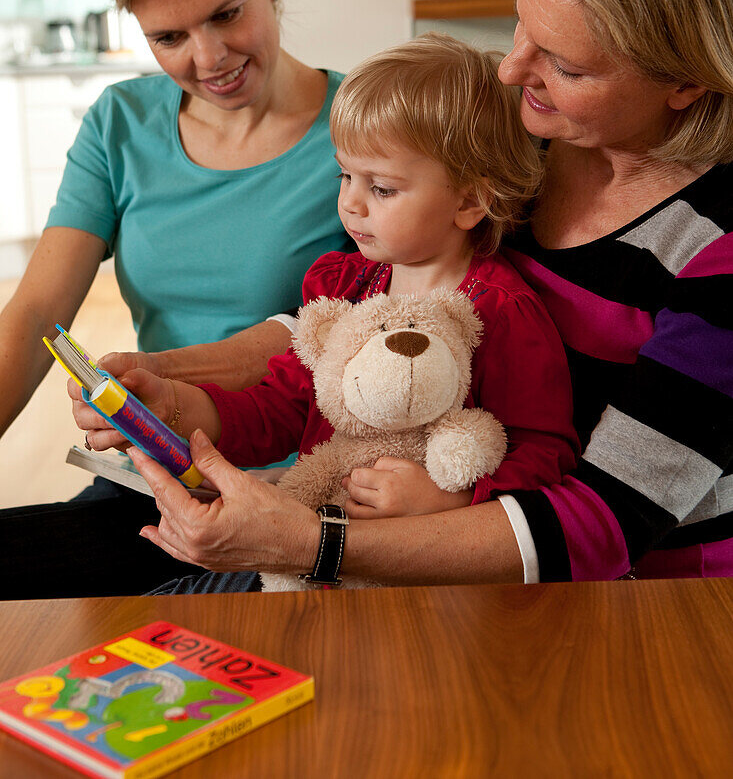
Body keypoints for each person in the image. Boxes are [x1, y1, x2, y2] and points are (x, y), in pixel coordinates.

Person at [106, 0, 732, 588]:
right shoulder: (513, 139)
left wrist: (314, 543)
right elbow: (347, 317)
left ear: (688, 81)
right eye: (518, 26)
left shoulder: (712, 251)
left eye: (565, 65)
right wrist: (176, 387)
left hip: (637, 610)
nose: (509, 69)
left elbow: (601, 529)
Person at [74, 34, 579, 593]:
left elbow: (547, 455)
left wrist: (450, 496)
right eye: (345, 176)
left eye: (382, 188)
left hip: (421, 583)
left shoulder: (501, 312)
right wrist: (177, 408)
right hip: (316, 554)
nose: (351, 204)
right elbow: (285, 405)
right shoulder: (351, 286)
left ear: (469, 202)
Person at [0, 0, 348, 597]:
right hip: (152, 477)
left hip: (293, 489)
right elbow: (35, 313)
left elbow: (339, 333)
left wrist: (173, 378)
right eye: (168, 36)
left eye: (226, 14)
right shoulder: (120, 125)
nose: (209, 59)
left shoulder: (364, 131)